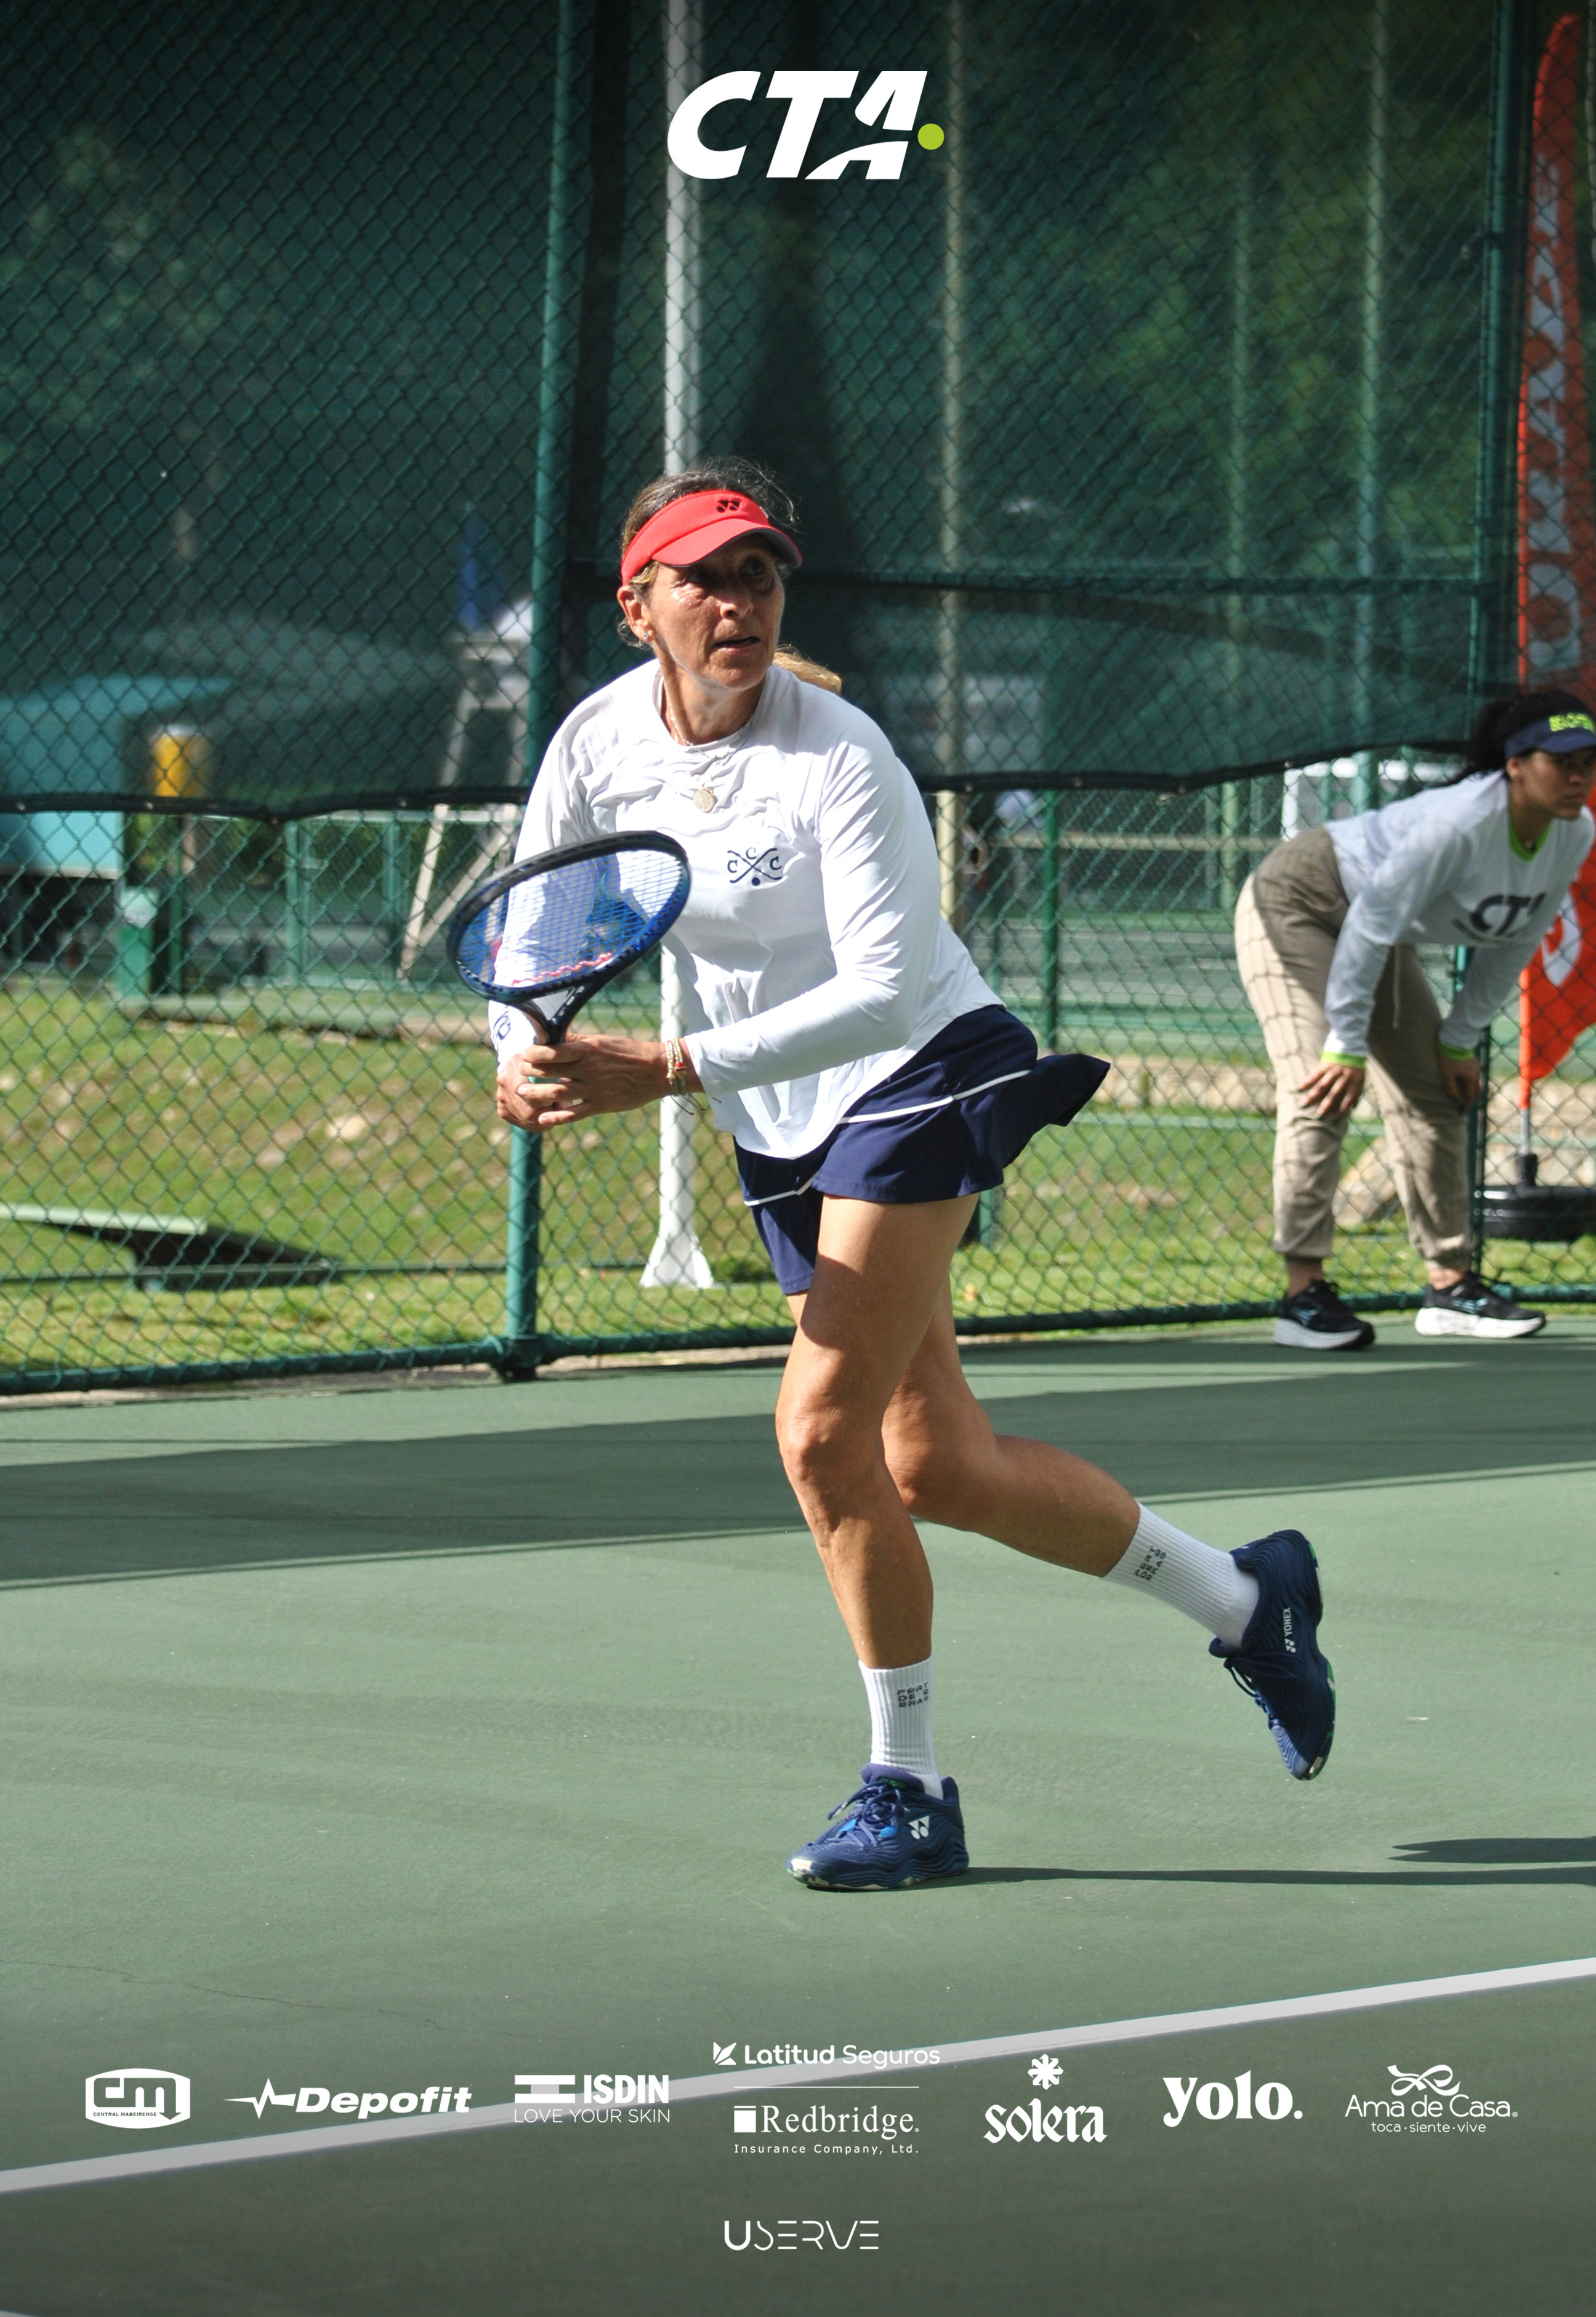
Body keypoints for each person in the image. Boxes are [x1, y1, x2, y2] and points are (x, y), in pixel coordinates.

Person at [492, 457, 1335, 1889]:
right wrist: (520, 1046)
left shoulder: (841, 756)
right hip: (785, 1123)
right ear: (640, 605)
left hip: (920, 1076)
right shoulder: (595, 743)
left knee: (819, 1437)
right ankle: (1247, 1598)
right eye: (704, 576)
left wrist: (674, 1070)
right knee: (931, 1462)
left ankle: (910, 1789)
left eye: (757, 574)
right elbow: (537, 933)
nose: (738, 600)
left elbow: (887, 991)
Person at [1236, 691, 1596, 1351]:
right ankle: (1301, 1294)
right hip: (1298, 900)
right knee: (1322, 1087)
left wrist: (1459, 1037)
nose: (1578, 777)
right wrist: (1344, 1043)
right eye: (1562, 760)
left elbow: (1516, 939)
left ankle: (1450, 1285)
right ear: (1516, 764)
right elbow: (1371, 924)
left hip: (1374, 928)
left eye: (1590, 762)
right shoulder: (1459, 823)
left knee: (1436, 1091)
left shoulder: (1575, 830)